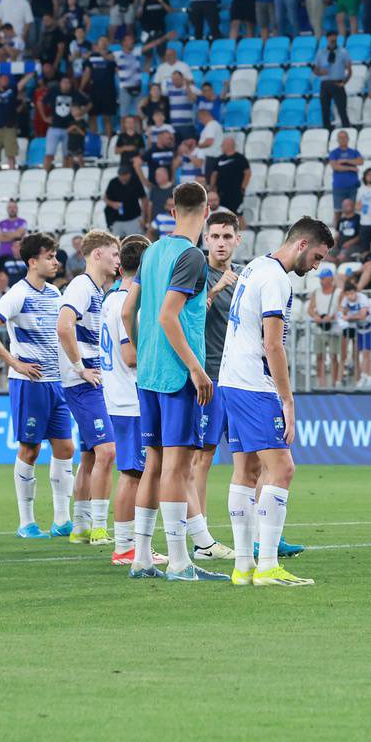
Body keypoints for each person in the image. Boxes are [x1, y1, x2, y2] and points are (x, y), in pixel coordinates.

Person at [219, 217, 333, 586]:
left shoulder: (254, 267)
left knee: (247, 470)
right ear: (301, 245)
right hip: (255, 384)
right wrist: (288, 400)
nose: (316, 265)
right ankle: (267, 565)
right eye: (317, 256)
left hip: (232, 380)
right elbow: (273, 344)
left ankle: (243, 567)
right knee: (282, 468)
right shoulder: (276, 279)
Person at [124, 180, 225, 580]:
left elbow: (127, 308)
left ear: (171, 211)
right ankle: (180, 561)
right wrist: (197, 370)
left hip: (148, 372)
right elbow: (168, 315)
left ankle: (142, 557)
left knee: (154, 464)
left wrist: (136, 347)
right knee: (177, 469)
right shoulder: (192, 257)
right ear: (206, 210)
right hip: (177, 375)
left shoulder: (151, 253)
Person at [0, 233, 72, 539]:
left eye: (55, 256)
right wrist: (14, 362)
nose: (55, 262)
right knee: (29, 450)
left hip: (57, 382)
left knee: (65, 448)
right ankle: (26, 522)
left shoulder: (55, 293)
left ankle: (61, 520)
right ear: (33, 262)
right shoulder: (18, 293)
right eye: (49, 257)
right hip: (29, 384)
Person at [58, 230, 120, 546]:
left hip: (90, 380)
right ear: (97, 255)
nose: (118, 260)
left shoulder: (95, 289)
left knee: (91, 457)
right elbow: (63, 325)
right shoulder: (82, 286)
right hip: (83, 383)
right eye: (114, 253)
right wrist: (80, 367)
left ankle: (81, 526)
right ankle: (98, 528)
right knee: (107, 451)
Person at [102, 235, 160, 568]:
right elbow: (130, 355)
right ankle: (127, 547)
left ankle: (130, 545)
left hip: (116, 398)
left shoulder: (111, 299)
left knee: (134, 472)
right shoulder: (130, 306)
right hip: (132, 400)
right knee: (135, 474)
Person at [188, 209, 243, 561]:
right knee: (202, 458)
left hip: (240, 378)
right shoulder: (198, 274)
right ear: (206, 239)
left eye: (227, 236)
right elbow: (188, 317)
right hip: (208, 375)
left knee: (253, 458)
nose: (221, 243)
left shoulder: (245, 276)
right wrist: (218, 288)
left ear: (238, 239)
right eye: (215, 236)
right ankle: (201, 538)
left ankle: (257, 534)